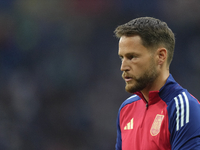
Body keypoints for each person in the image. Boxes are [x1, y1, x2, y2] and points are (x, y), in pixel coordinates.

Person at [114, 17, 200, 150]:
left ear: (160, 56)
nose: (123, 67)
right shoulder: (126, 109)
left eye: (132, 57)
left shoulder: (183, 108)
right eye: (122, 58)